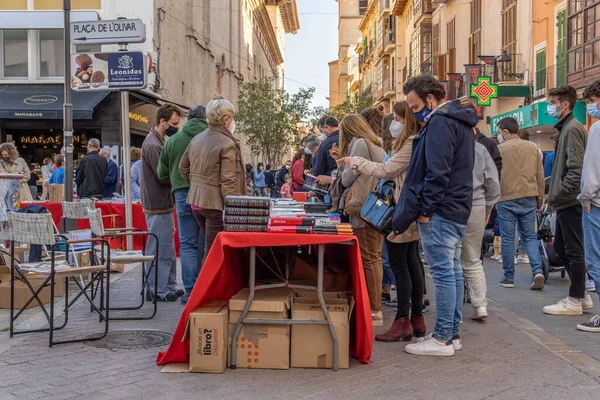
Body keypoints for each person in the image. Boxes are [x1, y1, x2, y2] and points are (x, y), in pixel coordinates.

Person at [392, 75, 476, 357]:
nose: (414, 114)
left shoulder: (440, 122)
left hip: (440, 210)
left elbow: (437, 172)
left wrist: (426, 210)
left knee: (443, 273)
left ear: (430, 99)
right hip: (457, 206)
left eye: (415, 107)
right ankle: (450, 335)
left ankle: (442, 339)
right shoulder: (461, 122)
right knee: (451, 271)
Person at [340, 101, 425, 341]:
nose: (394, 124)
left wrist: (355, 162)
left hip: (401, 209)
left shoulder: (409, 143)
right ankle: (414, 319)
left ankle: (403, 321)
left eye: (398, 119)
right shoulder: (410, 142)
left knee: (401, 264)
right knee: (410, 262)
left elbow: (386, 170)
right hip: (407, 208)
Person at [331, 114, 386, 326]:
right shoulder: (373, 142)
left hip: (363, 207)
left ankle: (374, 309)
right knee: (374, 255)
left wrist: (339, 167)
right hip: (374, 206)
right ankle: (374, 306)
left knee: (369, 258)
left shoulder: (360, 144)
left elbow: (347, 178)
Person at [179, 98, 246, 264]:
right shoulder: (227, 143)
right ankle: (208, 289)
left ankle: (206, 287)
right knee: (213, 252)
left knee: (208, 248)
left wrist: (197, 186)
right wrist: (234, 211)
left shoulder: (197, 138)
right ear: (225, 119)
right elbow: (228, 181)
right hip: (215, 204)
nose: (232, 121)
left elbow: (183, 168)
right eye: (231, 117)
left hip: (197, 201)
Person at [544, 85, 591, 316]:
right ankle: (582, 294)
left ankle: (575, 300)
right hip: (566, 200)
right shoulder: (566, 128)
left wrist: (560, 192)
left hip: (570, 201)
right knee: (563, 248)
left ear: (564, 104)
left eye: (552, 102)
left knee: (572, 249)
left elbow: (575, 168)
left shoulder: (572, 129)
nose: (549, 106)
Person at [158, 105, 208, 304]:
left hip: (181, 194)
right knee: (207, 244)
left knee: (187, 245)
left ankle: (190, 291)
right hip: (207, 195)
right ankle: (205, 289)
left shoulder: (173, 141)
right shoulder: (211, 138)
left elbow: (161, 173)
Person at [495, 117, 545, 289]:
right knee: (530, 236)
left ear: (505, 131)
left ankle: (508, 278)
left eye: (499, 131)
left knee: (508, 239)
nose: (499, 134)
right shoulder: (532, 148)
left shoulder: (499, 149)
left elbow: (495, 176)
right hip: (529, 195)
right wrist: (540, 198)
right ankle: (537, 271)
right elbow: (540, 174)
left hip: (506, 197)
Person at [141, 104, 182, 302]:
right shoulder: (153, 145)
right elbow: (162, 175)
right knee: (160, 248)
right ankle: (157, 289)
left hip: (161, 202)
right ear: (162, 121)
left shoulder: (158, 141)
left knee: (165, 247)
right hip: (158, 203)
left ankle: (166, 286)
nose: (175, 127)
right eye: (173, 123)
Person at [461, 128, 500, 321]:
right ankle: (480, 305)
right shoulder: (479, 149)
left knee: (450, 259)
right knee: (472, 258)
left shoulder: (446, 146)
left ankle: (453, 309)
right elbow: (492, 182)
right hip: (476, 204)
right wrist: (488, 207)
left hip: (450, 205)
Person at [578, 80, 600, 332]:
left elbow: (593, 167)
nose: (591, 107)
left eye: (592, 101)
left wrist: (586, 197)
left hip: (596, 204)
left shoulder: (597, 130)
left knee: (595, 260)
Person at [313, 115, 339, 184]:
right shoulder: (349, 138)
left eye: (321, 131)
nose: (322, 134)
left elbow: (318, 170)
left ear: (327, 127)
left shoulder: (325, 144)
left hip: (330, 183)